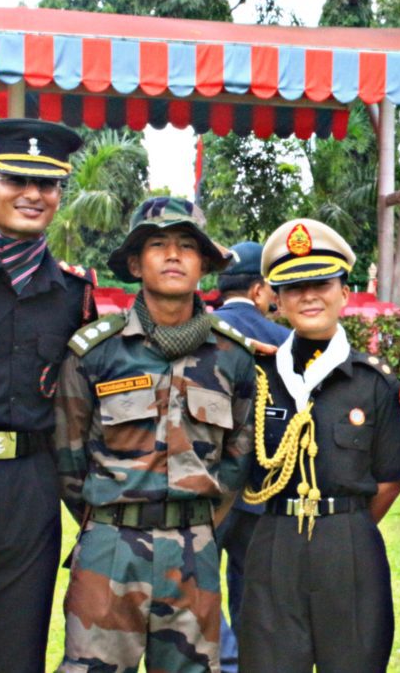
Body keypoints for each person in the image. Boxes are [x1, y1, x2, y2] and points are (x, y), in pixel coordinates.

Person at [54, 197, 256, 672]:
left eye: (187, 245)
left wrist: (197, 520)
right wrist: (111, 511)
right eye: (158, 244)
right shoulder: (96, 353)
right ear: (133, 262)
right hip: (110, 545)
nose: (173, 255)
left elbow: (237, 458)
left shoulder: (231, 356)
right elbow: (67, 458)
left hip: (194, 548)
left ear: (204, 263)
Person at [0, 118, 95, 672]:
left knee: (17, 653)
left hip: (33, 487)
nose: (33, 194)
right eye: (16, 180)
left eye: (48, 184)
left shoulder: (73, 294)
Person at [238, 219, 400, 672]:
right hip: (273, 543)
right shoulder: (255, 376)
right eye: (293, 286)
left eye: (321, 282)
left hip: (349, 545)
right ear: (276, 300)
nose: (309, 296)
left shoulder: (373, 382)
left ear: (344, 291)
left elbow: (389, 481)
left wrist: (341, 524)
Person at [212, 240, 290, 672]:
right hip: (265, 488)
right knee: (253, 587)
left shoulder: (199, 333)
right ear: (260, 289)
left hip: (208, 487)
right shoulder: (287, 339)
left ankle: (223, 661)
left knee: (198, 582)